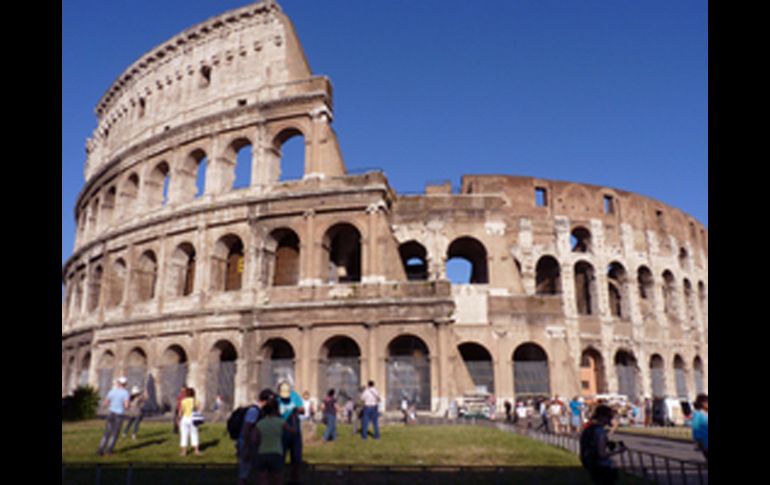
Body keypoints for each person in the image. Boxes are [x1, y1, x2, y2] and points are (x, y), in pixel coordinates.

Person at [249, 397, 296, 485]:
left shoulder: (260, 423)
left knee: (262, 479)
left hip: (262, 453)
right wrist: (293, 419)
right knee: (277, 480)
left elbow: (253, 439)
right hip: (276, 453)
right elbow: (293, 431)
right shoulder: (280, 422)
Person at [580, 404, 628, 485]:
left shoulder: (589, 428)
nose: (610, 419)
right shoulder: (600, 431)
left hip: (591, 464)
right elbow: (602, 454)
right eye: (609, 417)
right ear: (603, 417)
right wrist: (619, 451)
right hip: (602, 467)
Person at [238, 389, 275, 485]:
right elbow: (246, 428)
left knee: (257, 471)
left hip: (253, 443)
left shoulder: (259, 411)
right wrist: (246, 447)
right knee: (245, 472)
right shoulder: (253, 411)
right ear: (265, 401)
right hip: (248, 443)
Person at [277, 381, 305, 485]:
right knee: (280, 457)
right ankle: (279, 479)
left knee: (296, 458)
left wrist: (296, 409)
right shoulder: (276, 399)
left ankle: (295, 480)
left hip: (294, 430)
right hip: (281, 430)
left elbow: (303, 410)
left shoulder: (295, 396)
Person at [97, 376, 130, 456]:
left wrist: (111, 405)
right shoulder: (125, 393)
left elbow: (105, 403)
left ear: (118, 383)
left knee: (107, 432)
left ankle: (100, 449)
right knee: (115, 434)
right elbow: (126, 406)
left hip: (111, 413)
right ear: (125, 384)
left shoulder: (112, 391)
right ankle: (109, 450)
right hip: (119, 414)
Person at [179, 387, 202, 456]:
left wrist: (179, 417)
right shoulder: (196, 401)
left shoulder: (183, 401)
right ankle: (196, 450)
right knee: (194, 434)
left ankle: (184, 452)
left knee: (184, 435)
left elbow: (181, 412)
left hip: (185, 418)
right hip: (193, 418)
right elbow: (199, 410)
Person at [691, 394, 708, 462]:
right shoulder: (698, 414)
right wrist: (697, 441)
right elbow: (695, 428)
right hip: (704, 441)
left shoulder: (706, 414)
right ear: (703, 404)